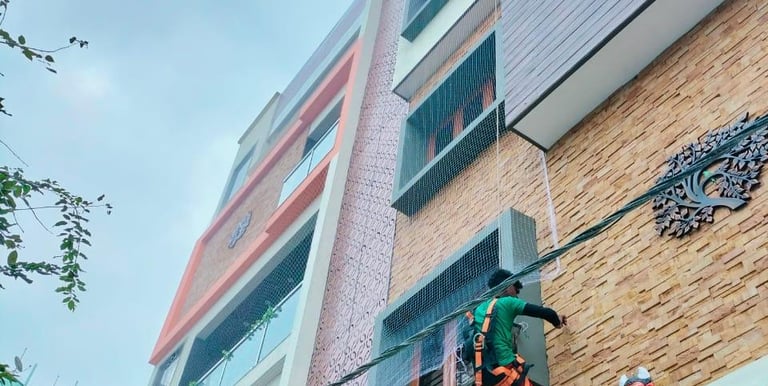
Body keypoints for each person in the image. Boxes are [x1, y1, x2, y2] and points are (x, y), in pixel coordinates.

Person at [470, 269, 567, 386]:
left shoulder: (479, 309)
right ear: (508, 286)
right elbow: (547, 313)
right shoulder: (508, 302)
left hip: (485, 376)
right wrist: (558, 321)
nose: (516, 295)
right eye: (516, 290)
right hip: (506, 368)